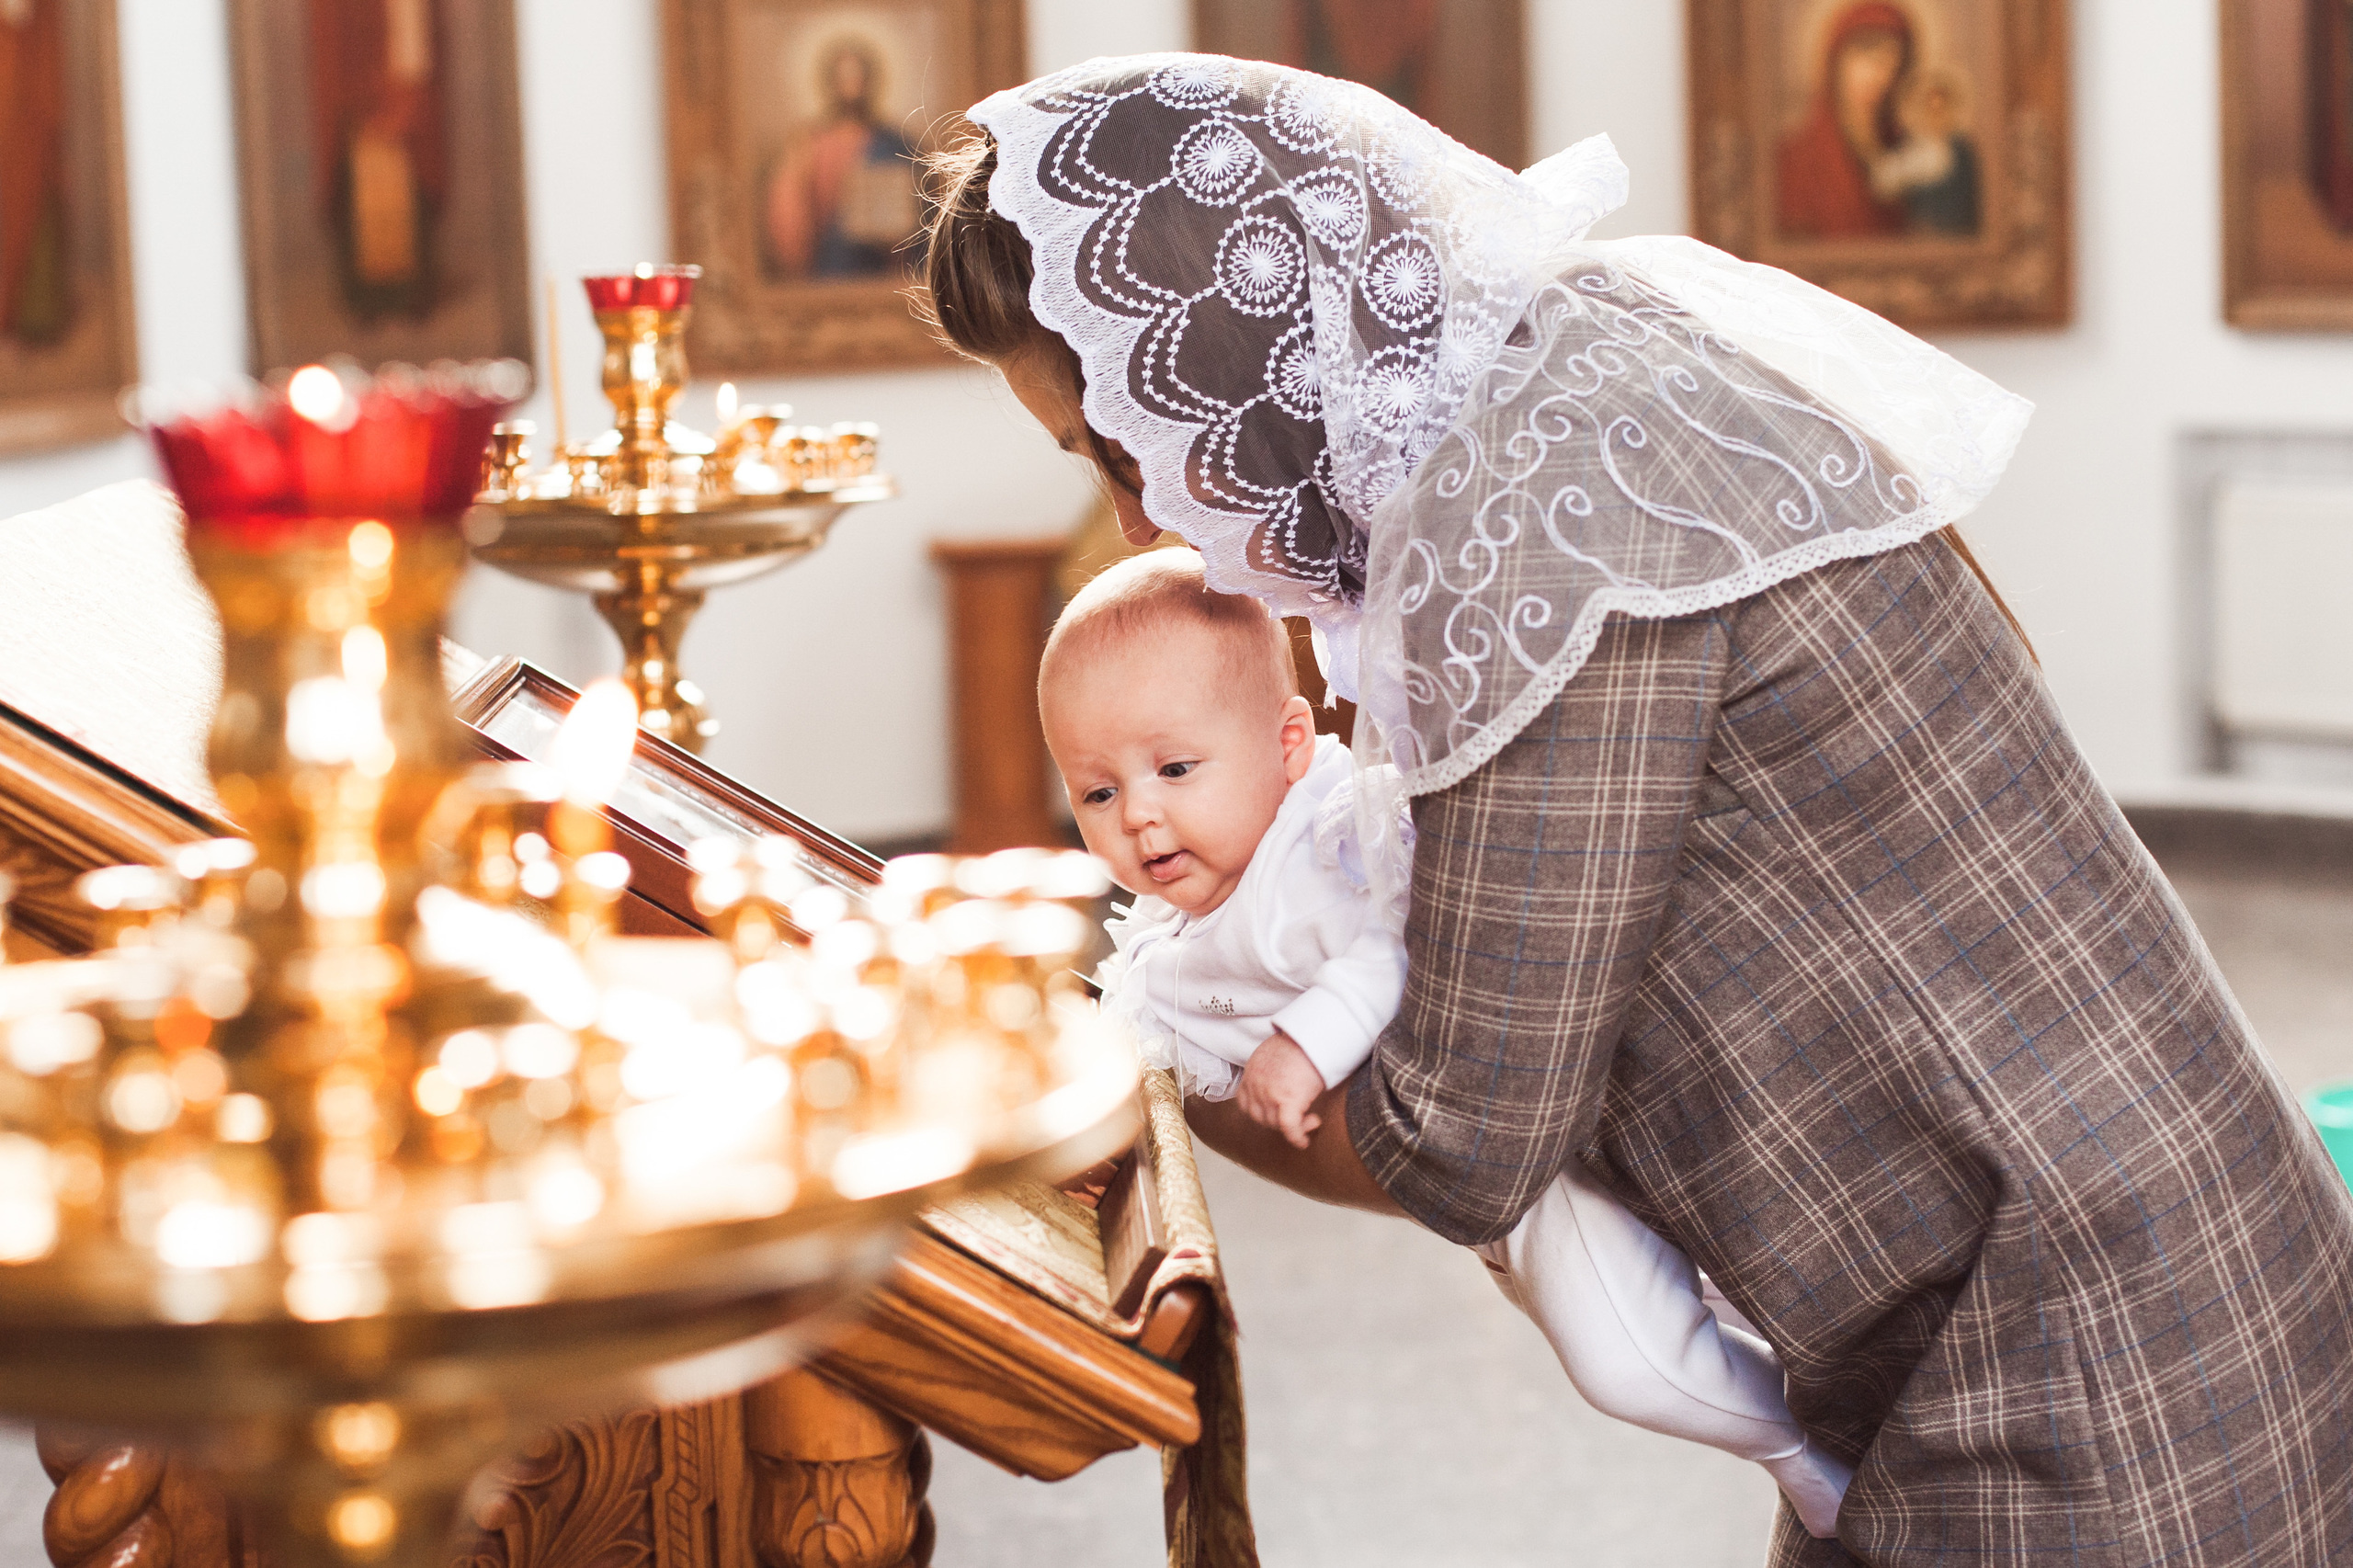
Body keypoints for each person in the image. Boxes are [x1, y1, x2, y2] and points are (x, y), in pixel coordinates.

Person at [925, 52, 2353, 1565]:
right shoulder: (1571, 359)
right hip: (2116, 1244)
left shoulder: (1523, 519)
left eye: (1116, 447)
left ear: (1218, 350)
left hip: (2085, 1366)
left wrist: (1137, 1044)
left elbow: (1463, 1133)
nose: (1142, 527)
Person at [1041, 546, 1853, 1536]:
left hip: (1533, 1141)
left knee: (1632, 1359)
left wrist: (1305, 1042)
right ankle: (1831, 1417)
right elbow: (1139, 1043)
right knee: (1679, 1312)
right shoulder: (1169, 934)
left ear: (1290, 742)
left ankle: (1808, 1456)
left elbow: (1403, 941)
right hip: (1482, 1198)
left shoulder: (1319, 847)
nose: (1140, 814)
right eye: (1096, 792)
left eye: (1174, 767)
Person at [1776, 2, 1915, 240]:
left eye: (1891, 61)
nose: (1879, 74)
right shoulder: (1796, 158)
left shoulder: (1907, 149)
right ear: (1836, 61)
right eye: (1867, 55)